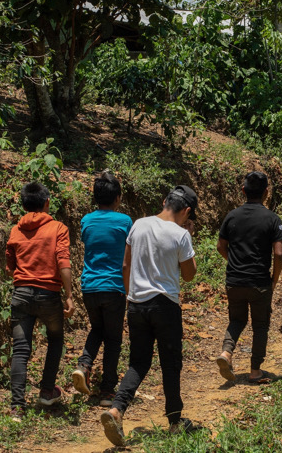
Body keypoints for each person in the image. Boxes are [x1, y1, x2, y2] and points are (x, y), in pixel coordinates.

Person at [100, 185, 198, 446]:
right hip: (165, 306)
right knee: (170, 363)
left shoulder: (139, 225)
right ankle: (175, 422)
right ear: (186, 211)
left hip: (136, 305)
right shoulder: (180, 234)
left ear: (164, 200)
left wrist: (131, 295)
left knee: (138, 363)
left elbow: (125, 264)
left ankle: (117, 409)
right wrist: (187, 236)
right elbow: (189, 275)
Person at [5, 182, 75, 421]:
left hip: (21, 295)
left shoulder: (16, 230)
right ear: (47, 203)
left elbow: (10, 267)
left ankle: (17, 407)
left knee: (21, 349)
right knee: (55, 339)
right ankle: (47, 391)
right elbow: (63, 262)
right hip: (48, 295)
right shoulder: (58, 228)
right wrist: (68, 294)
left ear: (24, 205)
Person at [215, 172, 282, 385]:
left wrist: (234, 262)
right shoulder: (272, 219)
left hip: (234, 281)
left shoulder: (232, 216)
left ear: (243, 191)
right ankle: (255, 371)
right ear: (266, 192)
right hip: (259, 282)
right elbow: (279, 253)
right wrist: (274, 279)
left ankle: (226, 353)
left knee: (237, 320)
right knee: (260, 325)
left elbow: (220, 246)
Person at [72, 172, 133, 407]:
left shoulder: (86, 220)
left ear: (95, 197)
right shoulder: (125, 221)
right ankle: (108, 391)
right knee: (114, 339)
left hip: (89, 287)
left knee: (97, 329)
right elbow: (129, 256)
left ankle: (84, 365)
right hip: (114, 287)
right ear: (117, 198)